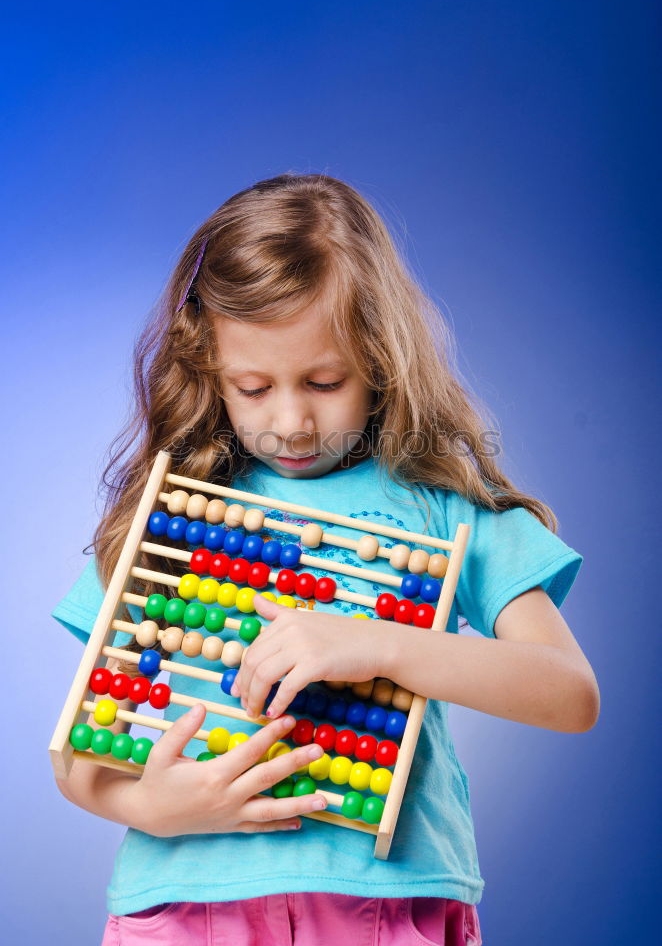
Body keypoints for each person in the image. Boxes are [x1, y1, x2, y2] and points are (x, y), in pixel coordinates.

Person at [51, 172, 600, 945]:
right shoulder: (179, 508)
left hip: (381, 903)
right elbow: (78, 753)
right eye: (252, 387)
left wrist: (379, 645)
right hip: (184, 901)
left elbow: (569, 693)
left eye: (325, 381)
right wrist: (151, 806)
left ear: (381, 356)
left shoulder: (437, 501)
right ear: (210, 370)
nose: (292, 421)